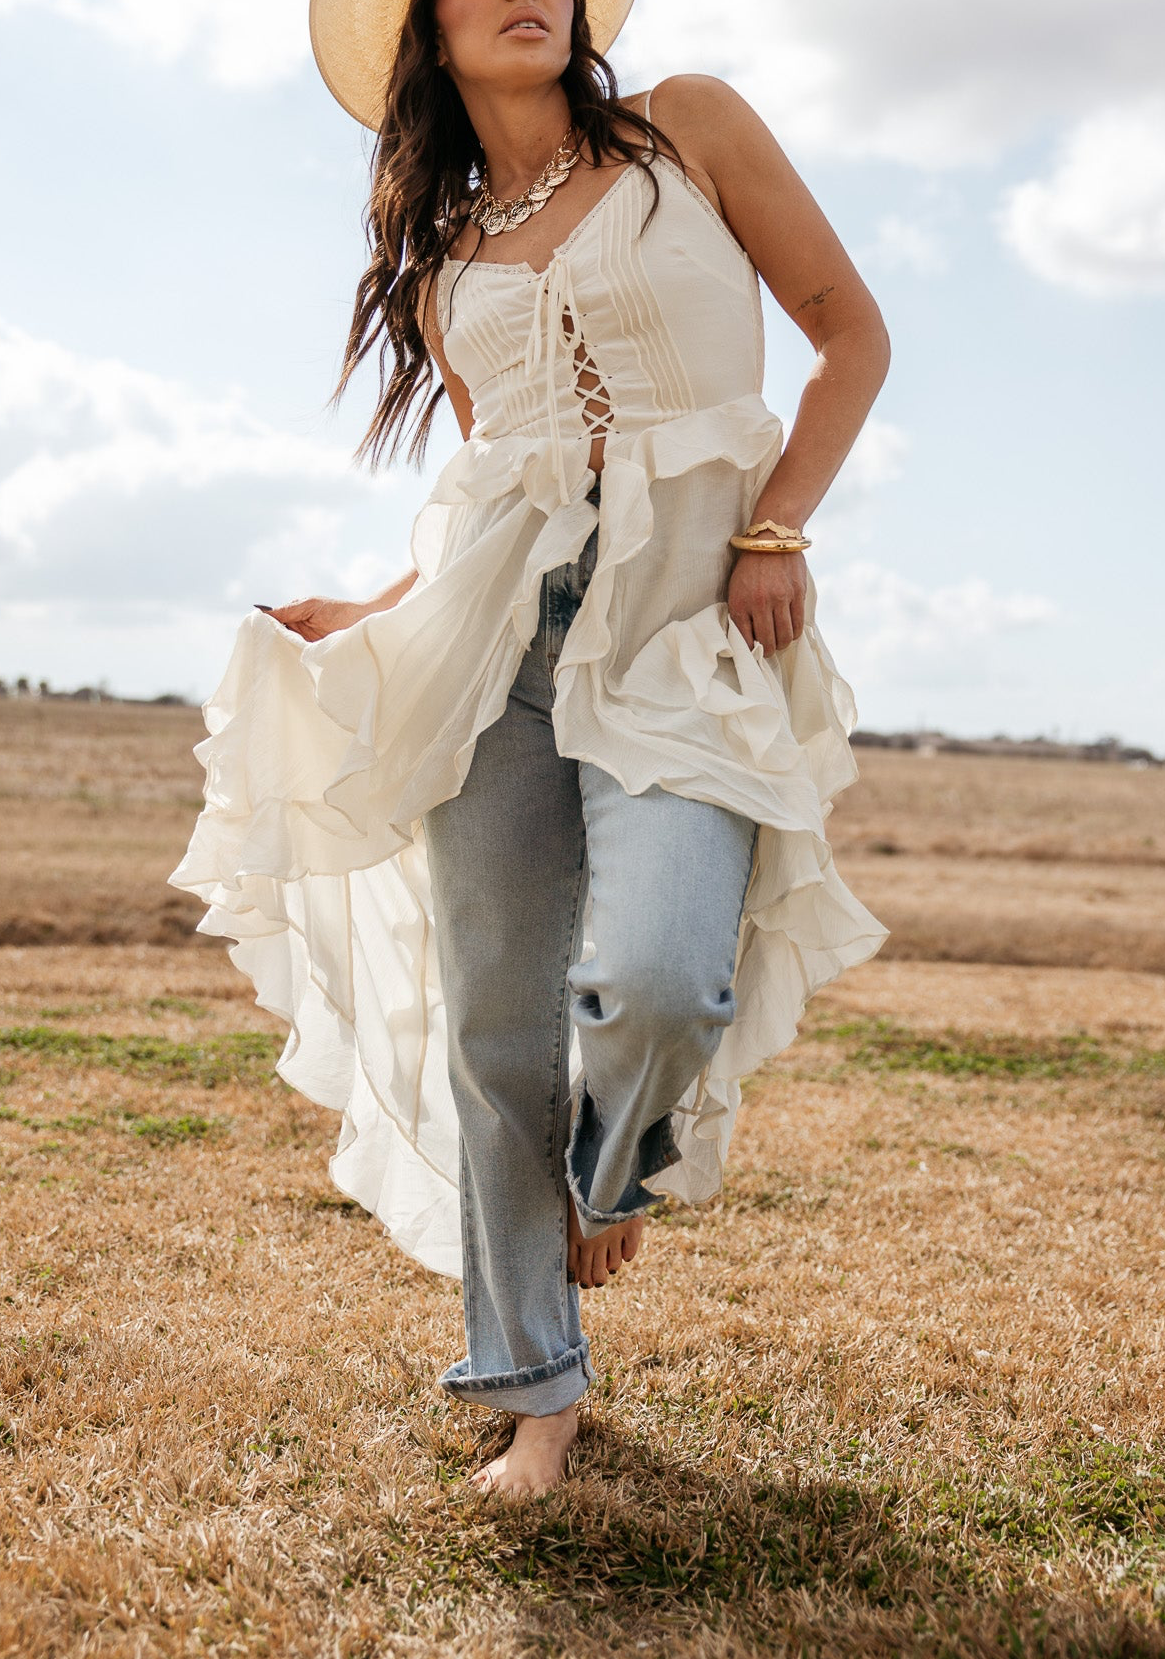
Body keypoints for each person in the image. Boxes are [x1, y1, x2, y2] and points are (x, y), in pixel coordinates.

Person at [171, 0, 892, 1500]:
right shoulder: (445, 270)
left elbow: (851, 336)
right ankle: (534, 1398)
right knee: (498, 1031)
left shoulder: (686, 130)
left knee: (659, 974)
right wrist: (375, 609)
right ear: (426, 29)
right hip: (496, 652)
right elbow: (493, 491)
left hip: (688, 628)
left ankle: (609, 1166)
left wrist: (774, 524)